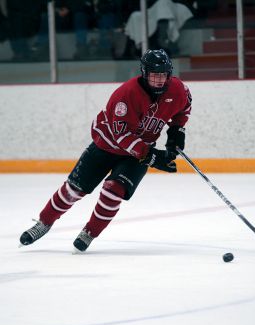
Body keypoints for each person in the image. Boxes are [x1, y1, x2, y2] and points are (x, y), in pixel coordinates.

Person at [19, 49, 192, 253]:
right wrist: (152, 156)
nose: (159, 81)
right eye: (155, 75)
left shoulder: (178, 89)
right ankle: (44, 223)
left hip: (137, 153)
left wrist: (176, 132)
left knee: (114, 191)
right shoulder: (126, 95)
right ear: (145, 74)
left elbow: (185, 106)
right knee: (73, 190)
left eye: (163, 75)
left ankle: (89, 232)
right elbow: (121, 136)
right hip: (106, 145)